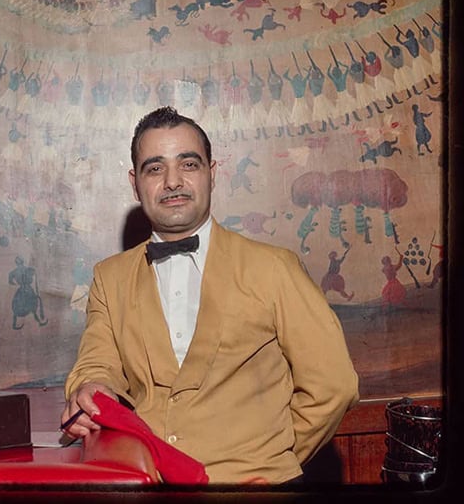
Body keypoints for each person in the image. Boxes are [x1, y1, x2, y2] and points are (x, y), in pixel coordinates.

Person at [61, 106, 359, 485]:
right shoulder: (109, 278)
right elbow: (95, 365)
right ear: (135, 183)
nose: (172, 181)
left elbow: (334, 385)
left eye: (188, 164)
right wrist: (90, 387)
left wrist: (272, 460)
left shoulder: (274, 267)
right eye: (155, 168)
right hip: (149, 483)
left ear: (211, 174)